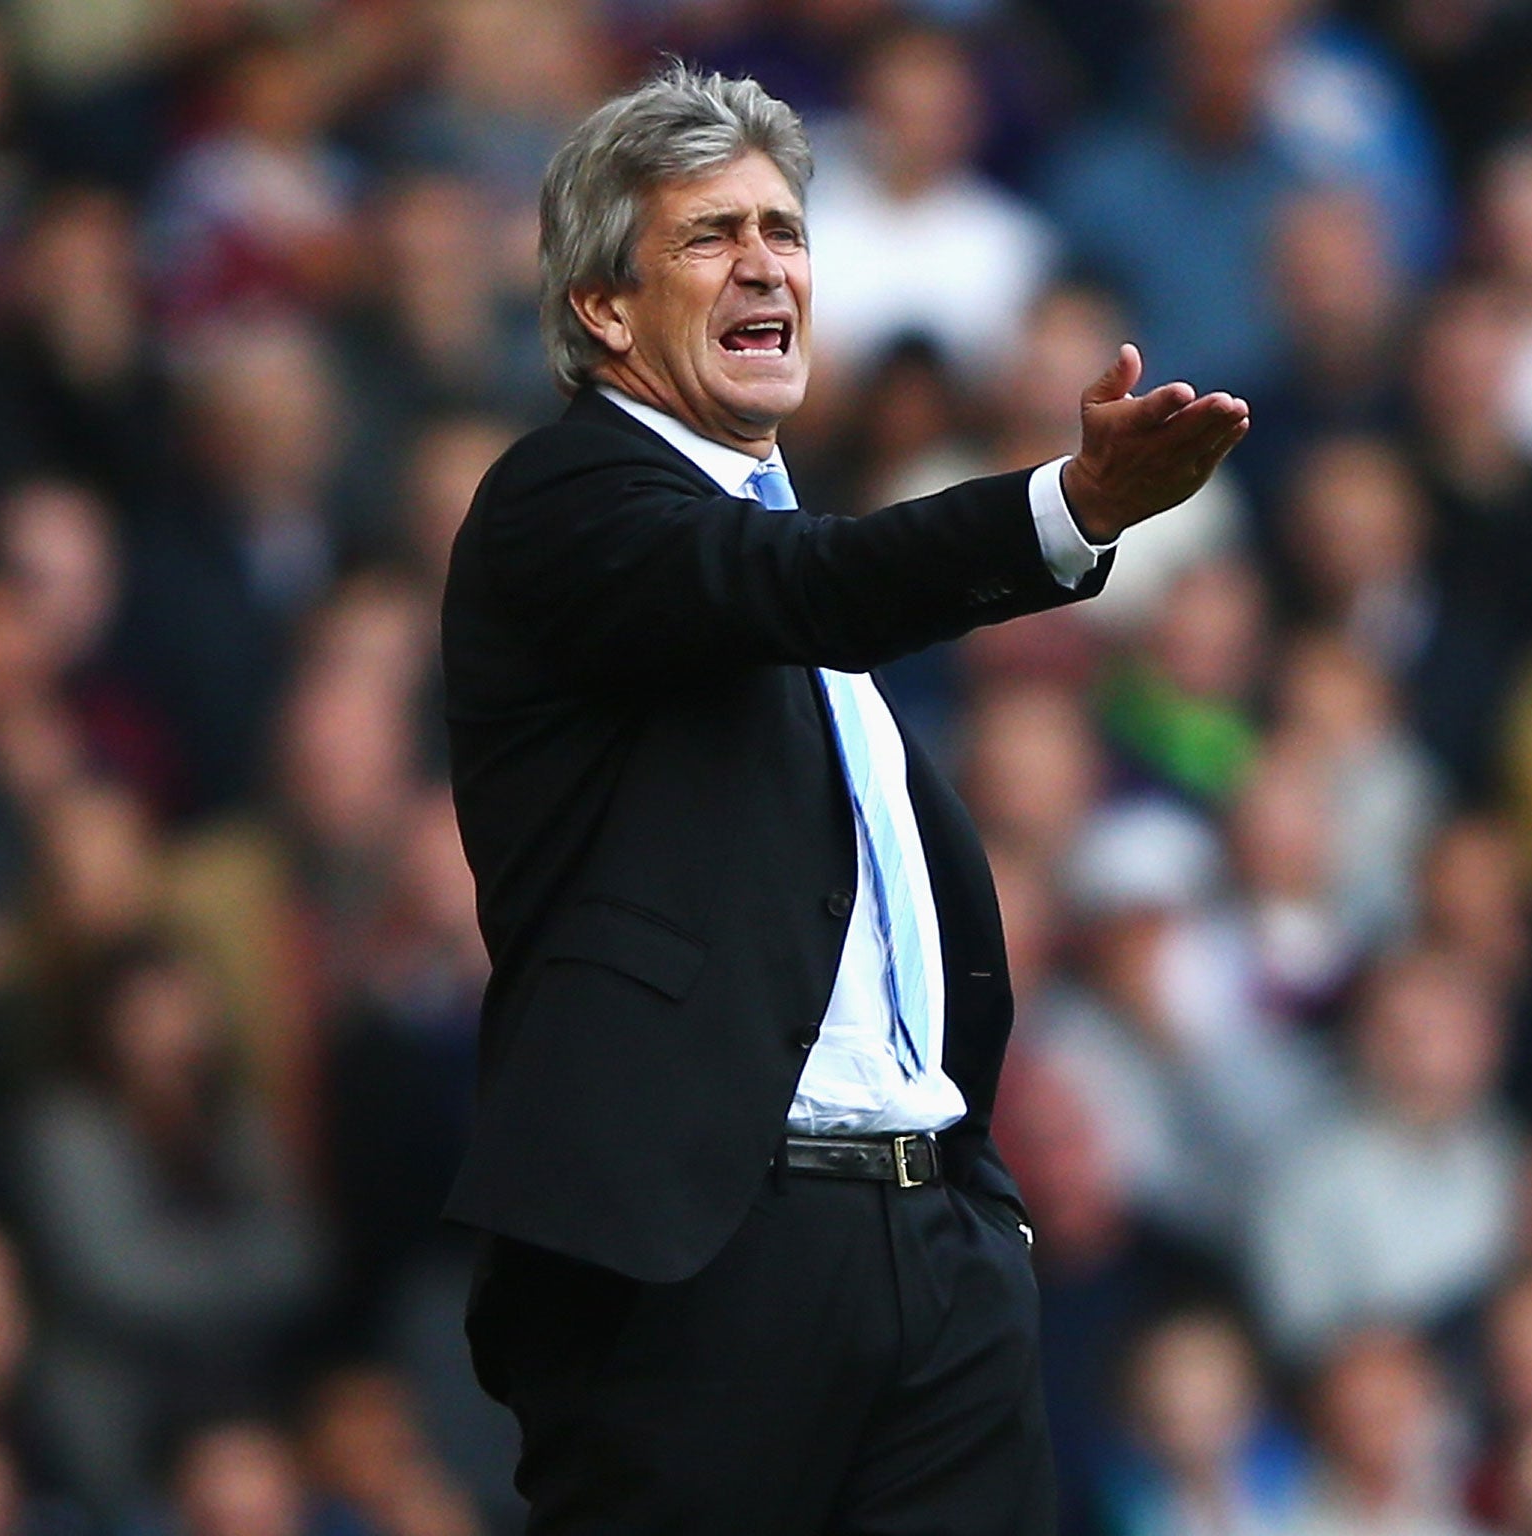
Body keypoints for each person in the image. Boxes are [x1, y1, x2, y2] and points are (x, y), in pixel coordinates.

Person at [438, 63, 1249, 1535]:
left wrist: (973, 1209)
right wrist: (1068, 509)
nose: (766, 264)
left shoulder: (779, 557)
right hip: (708, 1261)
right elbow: (802, 590)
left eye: (785, 230)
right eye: (709, 236)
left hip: (933, 1250)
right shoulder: (567, 507)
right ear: (604, 308)